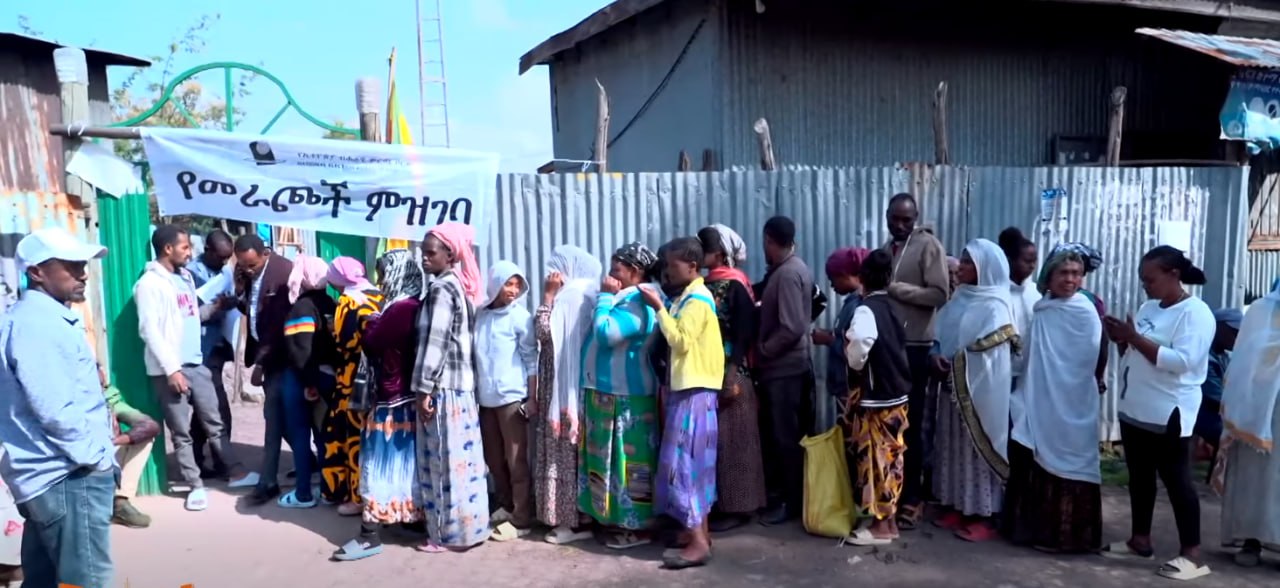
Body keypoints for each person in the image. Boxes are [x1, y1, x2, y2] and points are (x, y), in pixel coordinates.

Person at [0, 228, 116, 587]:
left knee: (46, 580)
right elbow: (55, 410)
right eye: (70, 265)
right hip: (67, 476)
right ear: (36, 272)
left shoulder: (35, 319)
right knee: (87, 581)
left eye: (82, 264)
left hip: (51, 477)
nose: (82, 273)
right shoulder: (38, 325)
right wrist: (95, 459)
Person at [1101, 246, 1216, 581]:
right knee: (1140, 478)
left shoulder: (1196, 314)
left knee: (1177, 480)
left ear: (1174, 275)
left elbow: (1183, 362)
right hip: (1136, 407)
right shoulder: (1150, 306)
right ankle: (1140, 540)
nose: (1145, 287)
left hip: (1170, 410)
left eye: (1150, 280)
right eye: (1142, 281)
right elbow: (1137, 351)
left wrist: (1134, 338)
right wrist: (1121, 340)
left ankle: (1192, 555)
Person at [134, 225, 257, 511]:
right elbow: (149, 331)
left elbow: (189, 317)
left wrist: (214, 308)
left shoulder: (185, 278)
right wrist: (172, 370)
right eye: (185, 247)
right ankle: (194, 484)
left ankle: (236, 472)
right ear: (168, 249)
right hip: (171, 370)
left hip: (196, 362)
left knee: (214, 422)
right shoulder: (149, 284)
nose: (190, 253)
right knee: (181, 432)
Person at [1003, 248, 1104, 553]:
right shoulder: (1043, 308)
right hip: (1041, 394)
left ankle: (1070, 538)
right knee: (1033, 450)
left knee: (1071, 457)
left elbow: (1086, 357)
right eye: (1064, 273)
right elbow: (1036, 354)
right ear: (1049, 276)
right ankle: (1036, 532)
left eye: (1076, 273)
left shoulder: (1084, 310)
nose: (1070, 279)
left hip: (1072, 399)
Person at [332, 249, 424, 561]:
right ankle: (408, 519)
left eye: (384, 274)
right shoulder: (405, 306)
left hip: (393, 398)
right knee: (403, 464)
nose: (381, 281)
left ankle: (369, 534)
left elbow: (372, 342)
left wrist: (371, 319)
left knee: (380, 466)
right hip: (401, 396)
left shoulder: (402, 309)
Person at [643, 236, 724, 570]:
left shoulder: (697, 301)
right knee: (696, 467)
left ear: (692, 266)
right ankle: (698, 534)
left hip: (693, 392)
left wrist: (659, 308)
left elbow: (679, 340)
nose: (668, 271)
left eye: (673, 265)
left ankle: (699, 543)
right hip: (693, 392)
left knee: (682, 467)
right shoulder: (691, 297)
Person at [930, 238, 1016, 543]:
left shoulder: (997, 305)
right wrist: (936, 355)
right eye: (962, 261)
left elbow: (989, 351)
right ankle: (959, 505)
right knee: (953, 448)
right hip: (953, 389)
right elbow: (940, 334)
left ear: (985, 268)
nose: (960, 268)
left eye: (969, 263)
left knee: (977, 450)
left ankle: (984, 515)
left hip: (980, 394)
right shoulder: (959, 299)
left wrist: (956, 362)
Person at [414, 222, 491, 552]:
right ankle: (469, 531)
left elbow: (435, 340)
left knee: (441, 464)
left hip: (442, 389)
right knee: (464, 467)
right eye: (422, 253)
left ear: (450, 254)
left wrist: (424, 388)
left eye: (430, 253)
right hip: (460, 390)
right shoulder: (459, 285)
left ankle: (443, 536)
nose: (424, 259)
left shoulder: (442, 289)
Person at [579, 243, 661, 548]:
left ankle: (638, 527)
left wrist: (604, 298)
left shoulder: (639, 302)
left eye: (617, 270)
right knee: (610, 462)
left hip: (628, 398)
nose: (610, 276)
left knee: (631, 462)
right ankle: (616, 520)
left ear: (635, 272)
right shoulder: (625, 298)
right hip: (608, 394)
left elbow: (606, 333)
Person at [882, 193, 950, 529]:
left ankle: (913, 498)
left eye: (906, 220)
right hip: (889, 346)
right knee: (889, 423)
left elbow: (940, 294)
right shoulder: (886, 248)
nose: (899, 225)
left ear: (916, 218)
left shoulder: (928, 246)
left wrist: (897, 290)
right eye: (894, 218)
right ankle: (890, 493)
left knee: (913, 424)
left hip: (916, 347)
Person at [840, 249, 911, 545]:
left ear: (861, 279)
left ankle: (882, 527)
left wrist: (853, 361)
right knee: (892, 458)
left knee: (876, 460)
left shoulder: (866, 309)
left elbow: (860, 342)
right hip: (897, 396)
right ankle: (888, 520)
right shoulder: (893, 306)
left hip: (876, 397)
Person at [698, 225, 766, 533]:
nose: (702, 255)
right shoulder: (704, 285)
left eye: (706, 249)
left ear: (721, 254)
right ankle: (724, 504)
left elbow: (744, 333)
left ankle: (741, 507)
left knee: (737, 443)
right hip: (710, 371)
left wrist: (732, 372)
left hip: (731, 372)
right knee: (721, 443)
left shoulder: (735, 285)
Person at [534, 245, 602, 545]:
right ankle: (580, 517)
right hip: (576, 383)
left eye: (557, 267)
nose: (553, 274)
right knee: (574, 451)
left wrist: (548, 297)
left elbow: (543, 333)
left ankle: (568, 522)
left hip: (562, 388)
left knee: (562, 451)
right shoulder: (589, 294)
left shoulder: (572, 297)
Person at [754, 215, 815, 525]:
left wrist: (763, 350)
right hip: (787, 369)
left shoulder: (789, 274)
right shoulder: (789, 270)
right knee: (785, 437)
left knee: (786, 438)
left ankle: (792, 504)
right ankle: (789, 498)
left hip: (785, 371)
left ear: (769, 241)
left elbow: (791, 327)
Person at [1216, 280, 1280, 568]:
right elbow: (1244, 359)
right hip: (1258, 405)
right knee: (1255, 479)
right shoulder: (1260, 309)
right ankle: (1251, 541)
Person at [235, 234, 298, 506]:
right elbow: (253, 309)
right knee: (278, 420)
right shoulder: (248, 275)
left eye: (252, 265)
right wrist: (239, 290)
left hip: (282, 358)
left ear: (265, 253)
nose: (248, 270)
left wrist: (260, 363)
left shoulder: (283, 271)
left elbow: (279, 326)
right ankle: (314, 463)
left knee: (275, 421)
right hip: (266, 357)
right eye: (243, 265)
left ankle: (268, 481)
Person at [477, 260, 538, 539]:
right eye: (508, 283)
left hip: (511, 398)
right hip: (485, 399)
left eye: (517, 285)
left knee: (516, 461)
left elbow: (530, 359)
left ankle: (523, 518)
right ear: (495, 284)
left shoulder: (520, 317)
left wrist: (532, 397)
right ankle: (505, 504)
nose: (513, 290)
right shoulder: (480, 315)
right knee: (493, 458)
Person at [324, 256, 384, 515]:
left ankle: (356, 498)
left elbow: (344, 343)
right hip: (379, 376)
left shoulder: (348, 302)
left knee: (354, 439)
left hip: (353, 379)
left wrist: (330, 330)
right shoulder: (378, 295)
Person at [277, 255, 337, 509]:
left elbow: (301, 352)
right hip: (328, 377)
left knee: (301, 436)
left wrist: (309, 383)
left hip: (303, 380)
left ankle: (303, 494)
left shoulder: (301, 308)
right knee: (324, 437)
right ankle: (328, 490)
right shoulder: (332, 304)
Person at [187, 229, 236, 479]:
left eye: (227, 258)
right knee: (216, 411)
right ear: (207, 251)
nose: (224, 262)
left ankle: (204, 461)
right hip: (199, 352)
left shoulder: (223, 272)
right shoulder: (190, 274)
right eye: (220, 257)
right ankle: (217, 463)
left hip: (216, 348)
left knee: (204, 412)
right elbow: (189, 313)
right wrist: (216, 306)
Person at [102, 367, 162, 529]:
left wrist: (114, 441)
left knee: (146, 438)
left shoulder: (110, 400)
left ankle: (120, 503)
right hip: (77, 462)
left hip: (105, 456)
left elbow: (149, 426)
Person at [1195, 308, 1240, 469]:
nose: (1238, 338)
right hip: (1204, 415)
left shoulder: (1223, 356)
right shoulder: (1205, 357)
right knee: (1243, 441)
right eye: (1234, 332)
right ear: (1218, 327)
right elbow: (1218, 398)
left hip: (1219, 413)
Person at [998, 227, 1040, 388]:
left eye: (1035, 260)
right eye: (1027, 261)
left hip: (1030, 373)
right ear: (1010, 260)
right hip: (1002, 375)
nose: (1032, 266)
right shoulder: (998, 293)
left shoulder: (1037, 294)